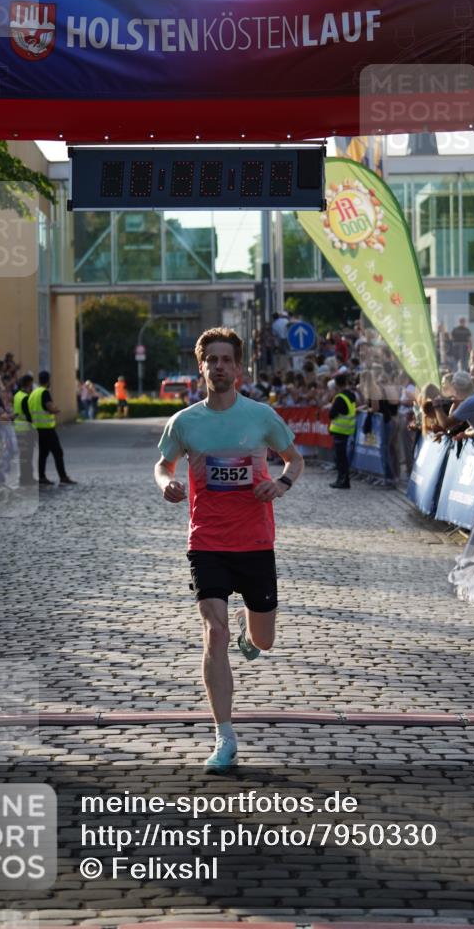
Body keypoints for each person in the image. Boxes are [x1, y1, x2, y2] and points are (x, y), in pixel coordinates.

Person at [154, 327, 304, 774]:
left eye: (226, 360)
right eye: (211, 360)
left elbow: (294, 459)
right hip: (207, 540)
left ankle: (248, 630)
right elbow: (163, 464)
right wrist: (168, 484)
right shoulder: (184, 423)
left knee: (264, 642)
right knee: (212, 633)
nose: (219, 366)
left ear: (238, 369)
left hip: (256, 540)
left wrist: (280, 484)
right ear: (201, 367)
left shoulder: (261, 417)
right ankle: (225, 736)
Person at [27, 370, 76, 486]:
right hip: (46, 429)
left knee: (43, 453)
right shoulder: (44, 392)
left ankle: (41, 477)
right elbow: (49, 407)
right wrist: (56, 409)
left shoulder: (33, 393)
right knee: (57, 452)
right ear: (48, 380)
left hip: (36, 428)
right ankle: (63, 477)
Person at [327, 372, 356, 489]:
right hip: (348, 430)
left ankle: (342, 481)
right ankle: (344, 480)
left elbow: (331, 414)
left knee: (340, 458)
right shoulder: (351, 395)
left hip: (340, 431)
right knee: (343, 458)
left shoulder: (339, 398)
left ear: (337, 385)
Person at [13, 373, 36, 485]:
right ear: (29, 384)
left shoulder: (17, 395)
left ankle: (23, 477)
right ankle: (27, 478)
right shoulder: (25, 397)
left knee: (23, 455)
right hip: (26, 430)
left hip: (18, 429)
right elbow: (29, 416)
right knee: (28, 455)